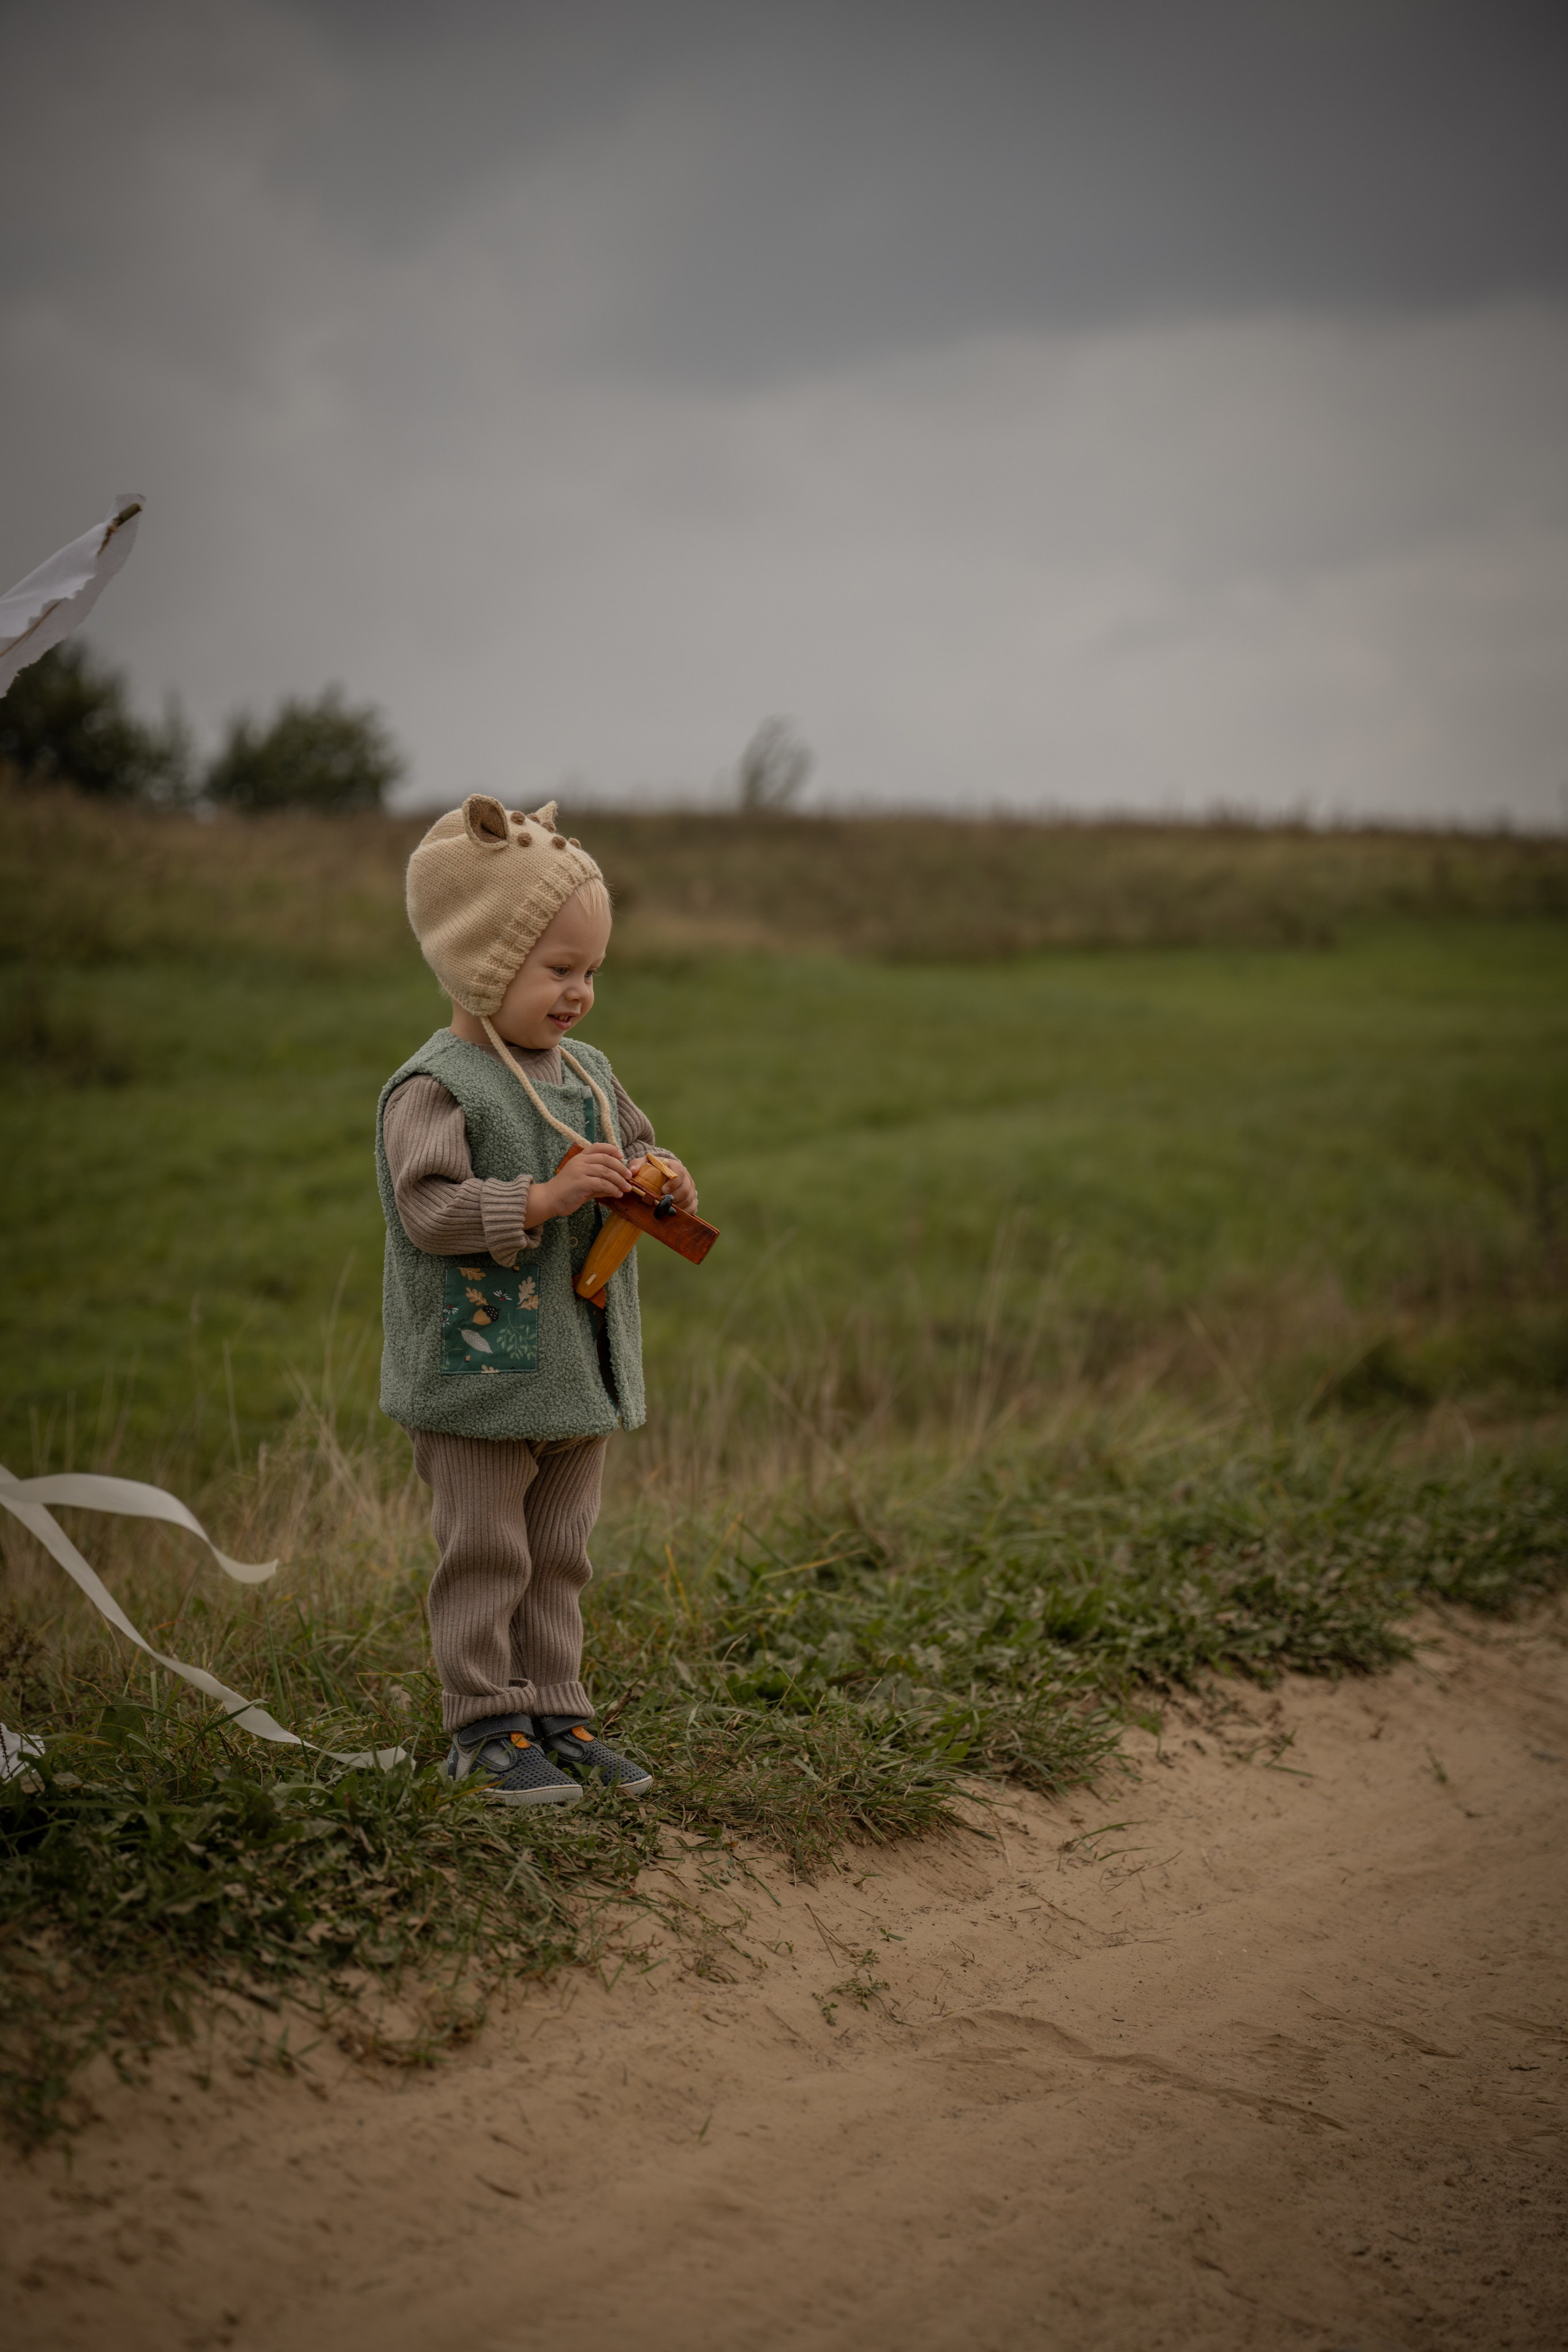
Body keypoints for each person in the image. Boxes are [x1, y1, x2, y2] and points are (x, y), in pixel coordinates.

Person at [375, 793, 697, 1804]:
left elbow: (634, 1144)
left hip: (577, 1367)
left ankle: (555, 1709)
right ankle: (482, 1726)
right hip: (481, 1373)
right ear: (480, 961)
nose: (579, 993)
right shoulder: (438, 1088)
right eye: (558, 970)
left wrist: (664, 1177)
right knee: (486, 1550)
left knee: (559, 1551)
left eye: (591, 971)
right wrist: (546, 1199)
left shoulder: (590, 1074)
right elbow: (429, 1208)